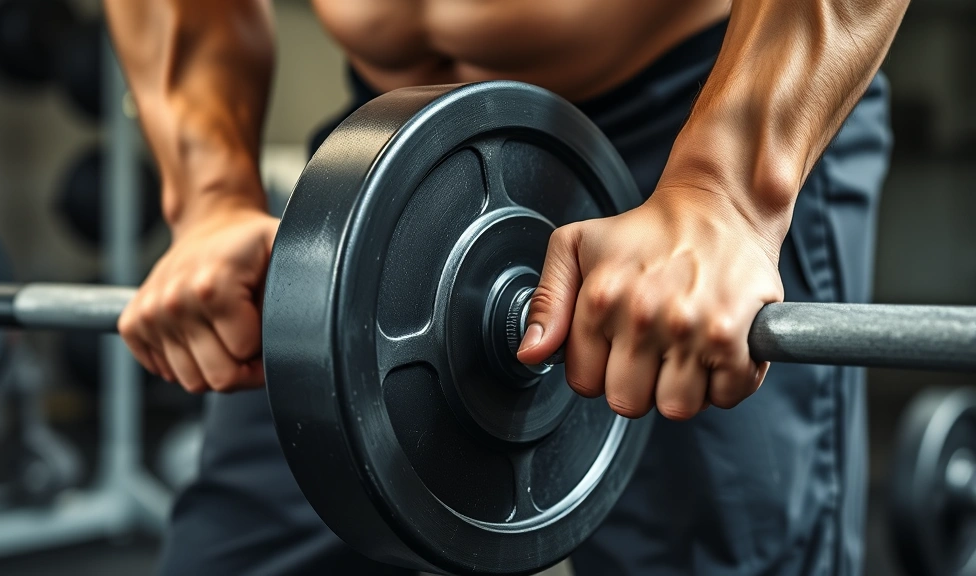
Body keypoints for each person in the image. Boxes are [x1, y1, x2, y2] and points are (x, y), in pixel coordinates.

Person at [103, 1, 907, 574]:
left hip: (708, 113)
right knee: (244, 548)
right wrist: (210, 198)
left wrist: (725, 191)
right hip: (399, 150)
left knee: (710, 554)